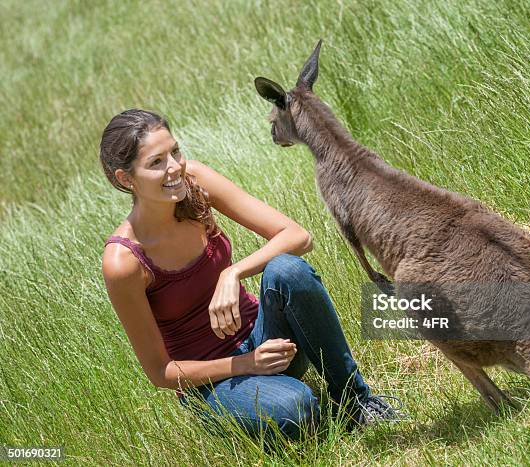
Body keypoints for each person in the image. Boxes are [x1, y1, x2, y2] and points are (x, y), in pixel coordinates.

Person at [99, 109, 403, 441]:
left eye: (175, 151)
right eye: (156, 162)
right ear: (126, 179)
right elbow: (162, 373)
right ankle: (301, 408)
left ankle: (355, 401)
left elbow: (297, 236)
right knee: (297, 408)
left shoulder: (195, 182)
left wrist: (233, 273)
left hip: (268, 342)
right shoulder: (124, 261)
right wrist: (246, 364)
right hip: (213, 383)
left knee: (287, 269)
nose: (174, 167)